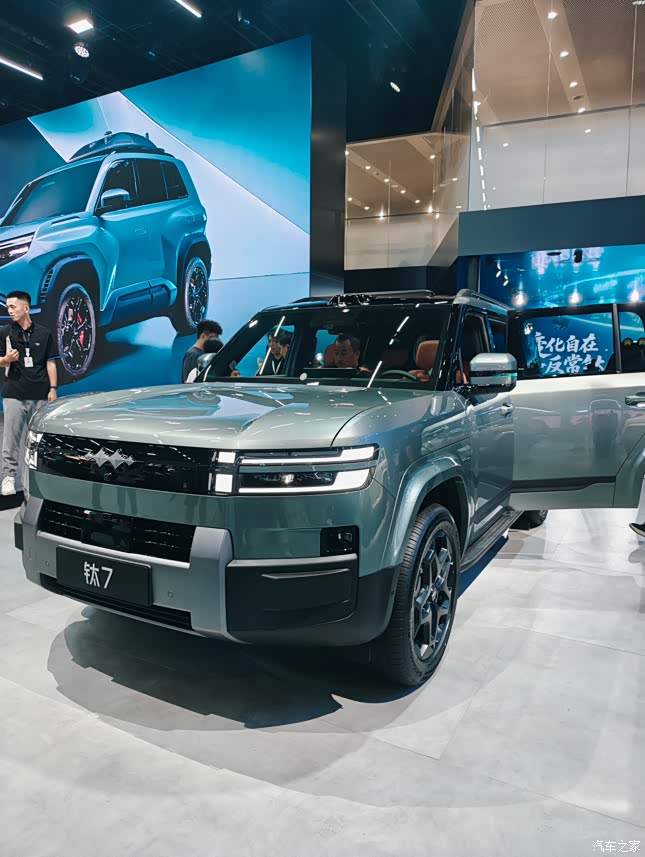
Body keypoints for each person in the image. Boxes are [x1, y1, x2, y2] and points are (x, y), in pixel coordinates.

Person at [0, 291, 58, 496]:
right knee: (11, 439)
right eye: (7, 307)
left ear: (26, 308)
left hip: (40, 394)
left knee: (38, 441)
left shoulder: (44, 333)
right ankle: (8, 477)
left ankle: (34, 480)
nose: (9, 310)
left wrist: (53, 388)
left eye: (13, 307)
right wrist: (6, 360)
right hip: (14, 393)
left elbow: (50, 362)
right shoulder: (5, 332)